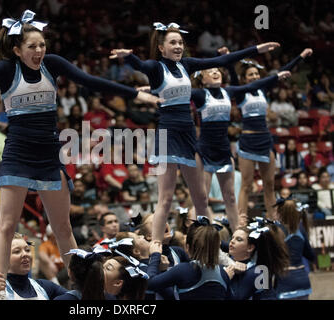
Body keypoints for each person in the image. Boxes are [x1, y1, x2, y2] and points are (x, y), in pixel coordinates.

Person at [0, 11, 160, 295]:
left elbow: (91, 81)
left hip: (50, 156)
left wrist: (136, 95)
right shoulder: (5, 69)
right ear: (17, 49)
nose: (39, 51)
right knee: (6, 225)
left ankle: (83, 286)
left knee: (63, 227)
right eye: (32, 47)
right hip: (17, 155)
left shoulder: (52, 64)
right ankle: (0, 290)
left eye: (42, 45)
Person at [110, 22, 281, 244]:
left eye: (180, 42)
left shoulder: (187, 65)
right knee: (166, 197)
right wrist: (128, 57)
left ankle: (213, 245)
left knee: (200, 198)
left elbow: (221, 61)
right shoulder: (155, 67)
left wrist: (257, 49)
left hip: (189, 133)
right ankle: (157, 247)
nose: (178, 46)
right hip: (168, 132)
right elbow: (140, 66)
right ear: (161, 48)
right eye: (173, 42)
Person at [191, 65, 291, 231]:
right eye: (210, 71)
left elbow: (253, 85)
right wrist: (147, 90)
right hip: (205, 150)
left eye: (217, 70)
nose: (215, 72)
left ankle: (239, 233)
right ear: (202, 79)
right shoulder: (200, 94)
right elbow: (175, 90)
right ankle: (202, 234)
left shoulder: (228, 92)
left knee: (230, 197)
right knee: (202, 198)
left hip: (224, 149)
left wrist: (278, 75)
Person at [231, 48, 313, 220]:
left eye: (256, 74)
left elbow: (282, 72)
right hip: (248, 140)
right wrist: (227, 58)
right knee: (246, 185)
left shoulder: (263, 90)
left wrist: (300, 56)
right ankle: (241, 222)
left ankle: (272, 221)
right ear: (244, 78)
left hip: (265, 139)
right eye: (250, 75)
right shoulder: (240, 92)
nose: (254, 77)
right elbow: (232, 75)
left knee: (269, 185)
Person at [147, 223, 234, 300]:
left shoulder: (184, 270)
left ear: (187, 248)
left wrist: (155, 255)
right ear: (217, 248)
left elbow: (149, 283)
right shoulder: (223, 273)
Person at [228, 218, 289, 299]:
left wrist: (226, 276)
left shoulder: (257, 272)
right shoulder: (233, 259)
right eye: (232, 237)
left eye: (239, 239)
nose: (232, 241)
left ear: (250, 248)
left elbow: (236, 297)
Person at [6, 233, 67, 300]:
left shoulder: (44, 286)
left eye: (27, 250)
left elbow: (76, 296)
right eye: (17, 251)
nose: (25, 254)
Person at [275, 199, 315, 299]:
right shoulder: (301, 229)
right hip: (302, 278)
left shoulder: (276, 230)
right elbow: (311, 255)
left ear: (280, 213)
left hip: (285, 280)